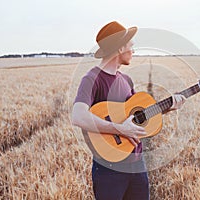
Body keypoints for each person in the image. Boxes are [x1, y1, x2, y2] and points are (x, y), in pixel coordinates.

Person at [72, 21, 186, 200]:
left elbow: (136, 116)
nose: (134, 50)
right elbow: (78, 116)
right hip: (109, 170)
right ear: (119, 49)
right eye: (131, 46)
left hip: (137, 165)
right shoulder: (92, 79)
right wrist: (119, 129)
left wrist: (169, 107)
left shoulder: (126, 79)